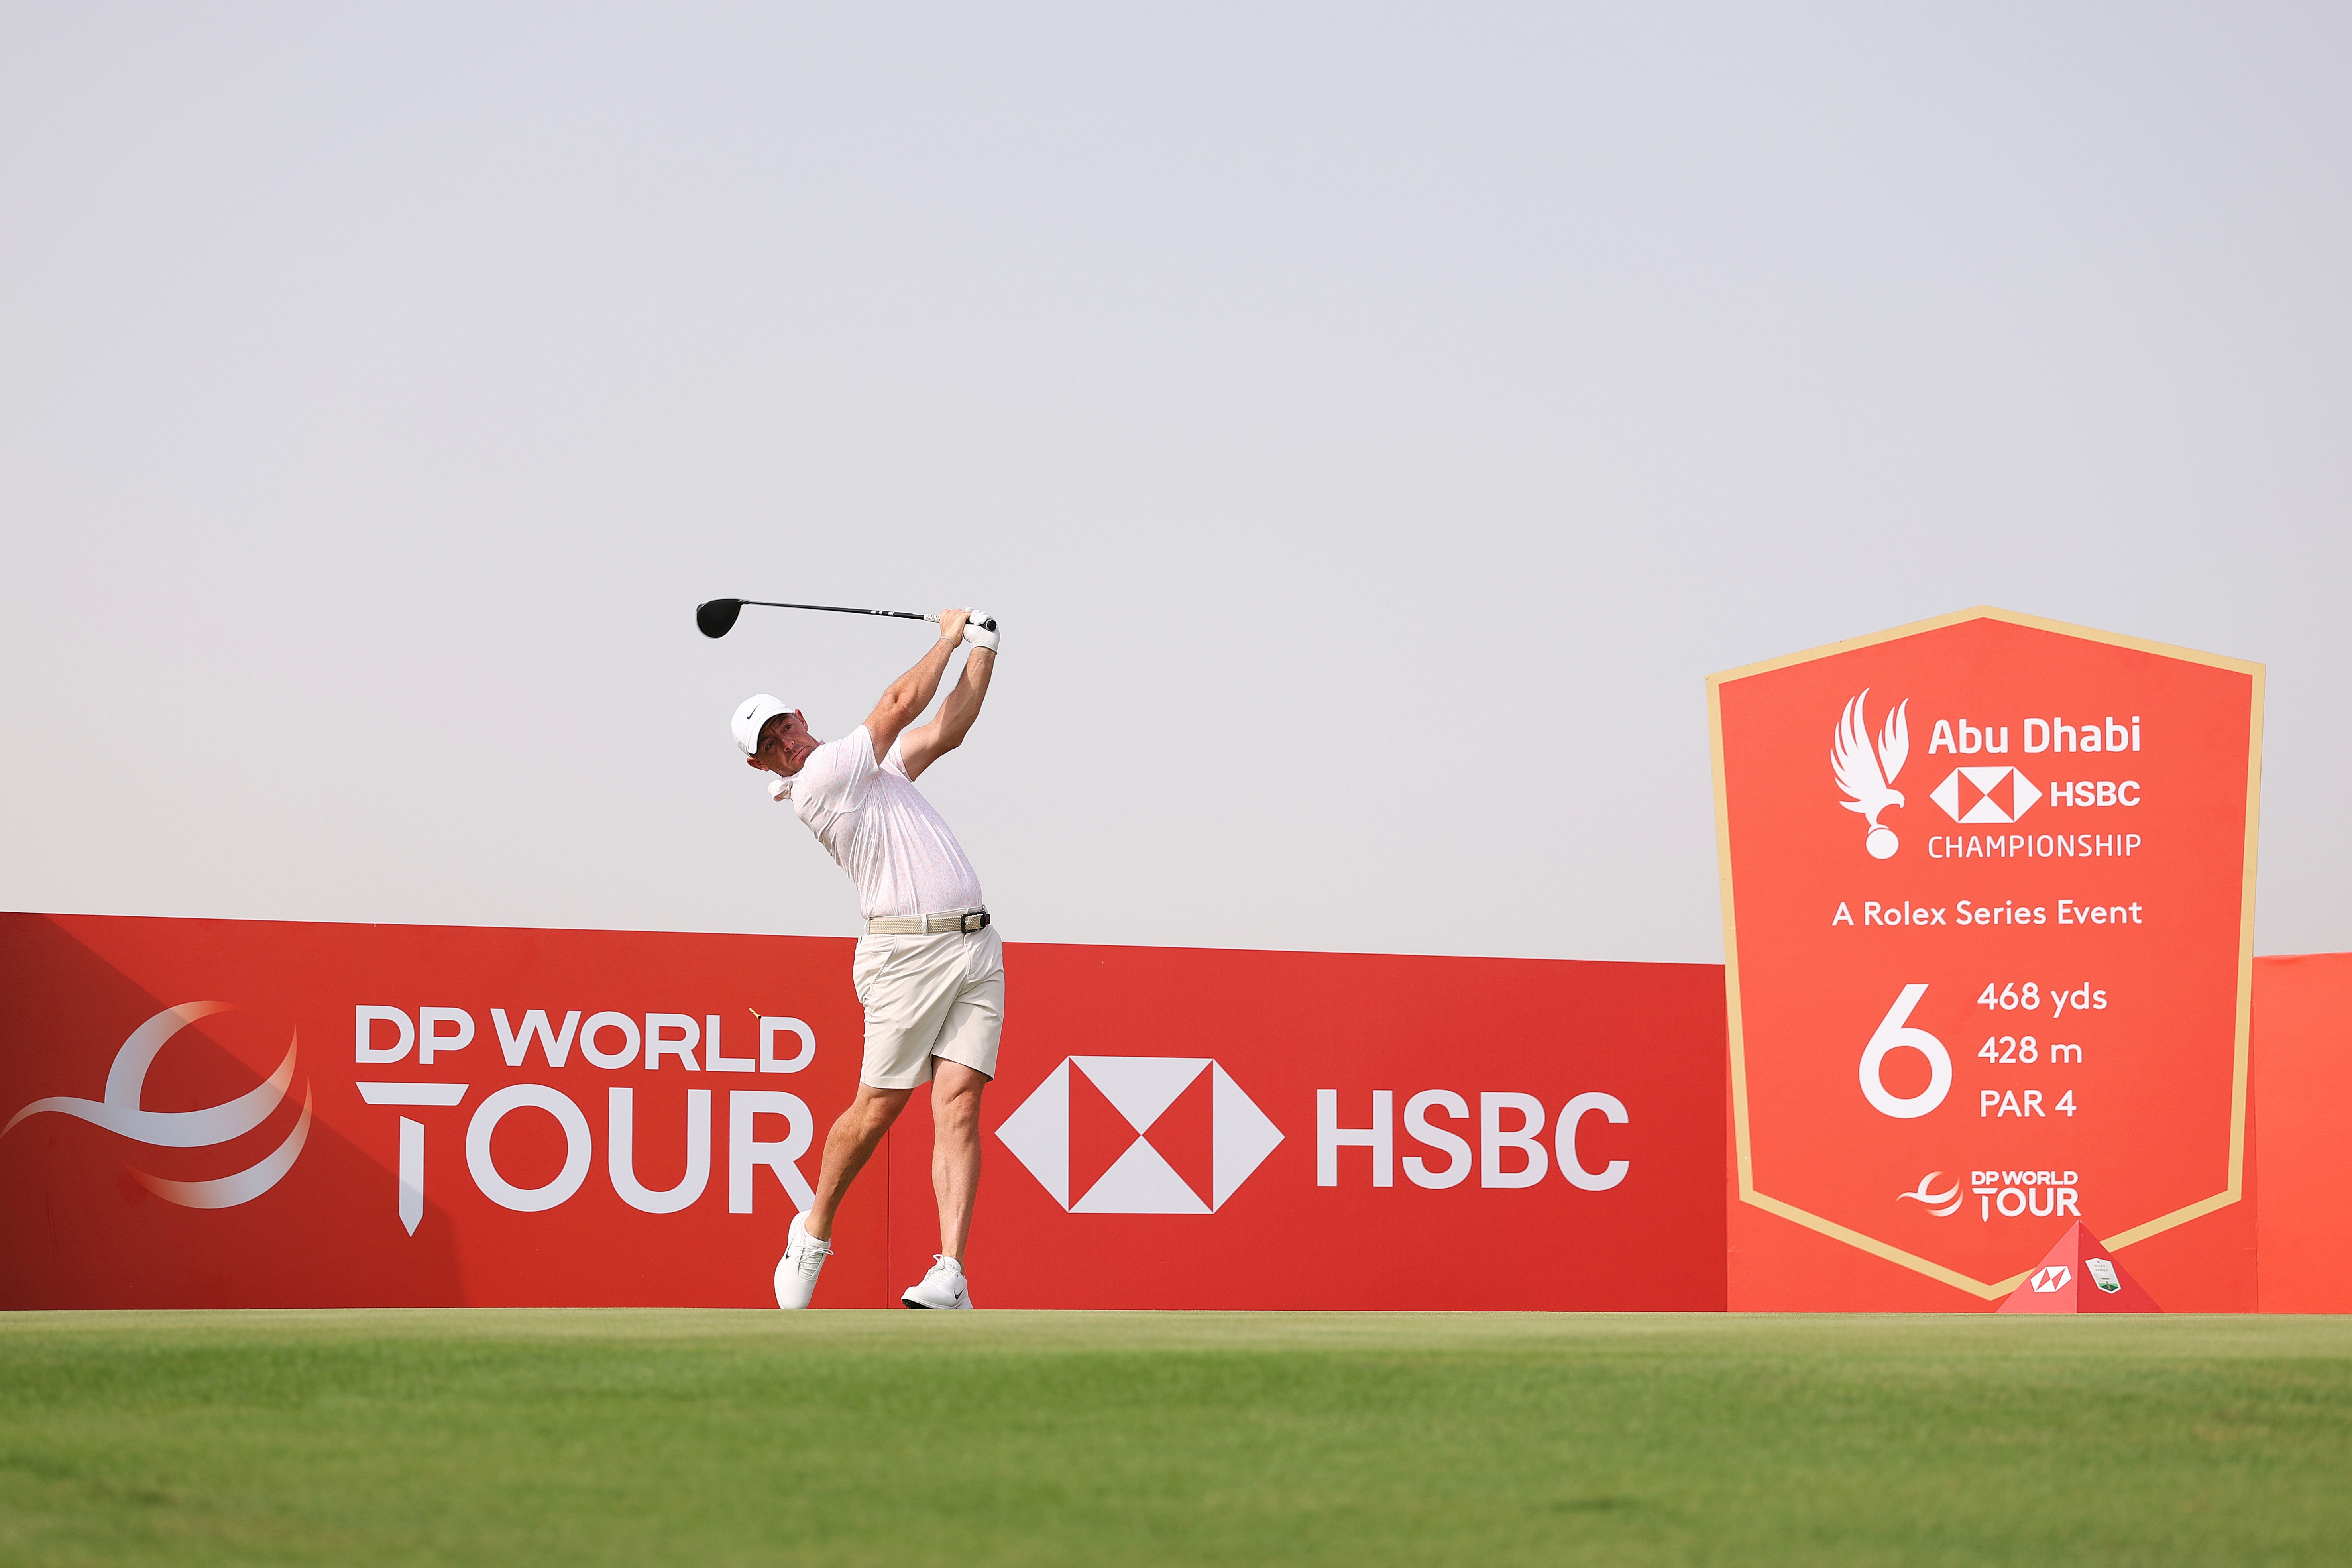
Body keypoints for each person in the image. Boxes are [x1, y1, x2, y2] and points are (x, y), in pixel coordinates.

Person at [731, 607, 1002, 1310]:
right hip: (905, 954)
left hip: (974, 945)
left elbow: (947, 727)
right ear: (762, 765)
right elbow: (898, 702)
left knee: (960, 1105)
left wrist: (984, 648)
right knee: (879, 1107)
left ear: (798, 715)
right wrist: (946, 634)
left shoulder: (871, 771)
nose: (784, 741)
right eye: (769, 744)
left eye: (784, 725)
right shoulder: (822, 780)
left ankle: (950, 1270)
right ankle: (814, 1227)